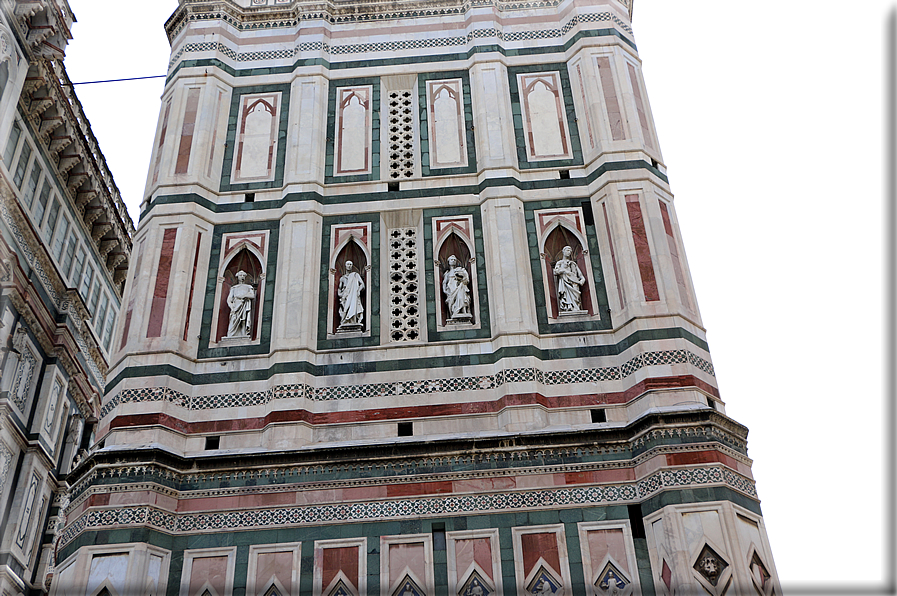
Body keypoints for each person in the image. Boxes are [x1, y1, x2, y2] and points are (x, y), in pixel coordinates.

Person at [553, 245, 585, 312]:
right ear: (563, 251)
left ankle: (576, 309)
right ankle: (568, 308)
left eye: (570, 251)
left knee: (576, 298)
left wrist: (582, 280)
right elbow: (555, 271)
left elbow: (581, 276)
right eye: (567, 250)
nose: (569, 252)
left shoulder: (573, 264)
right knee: (566, 298)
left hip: (574, 284)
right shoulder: (559, 263)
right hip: (565, 283)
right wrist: (564, 271)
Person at [226, 270, 256, 338]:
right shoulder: (234, 288)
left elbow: (252, 295)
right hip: (236, 305)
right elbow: (229, 299)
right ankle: (231, 335)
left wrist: (245, 296)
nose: (242, 277)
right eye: (240, 275)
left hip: (244, 304)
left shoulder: (248, 287)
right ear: (237, 277)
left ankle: (243, 334)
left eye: (243, 276)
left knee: (243, 320)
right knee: (233, 319)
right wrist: (232, 307)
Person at [442, 255, 471, 319]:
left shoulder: (460, 270)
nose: (453, 261)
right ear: (448, 262)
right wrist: (445, 290)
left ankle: (463, 312)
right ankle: (454, 312)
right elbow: (444, 282)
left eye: (454, 260)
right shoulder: (447, 273)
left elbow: (466, 279)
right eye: (451, 260)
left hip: (459, 287)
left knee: (461, 297)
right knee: (452, 302)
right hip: (451, 290)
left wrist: (461, 277)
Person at [338, 260, 365, 328]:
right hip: (345, 297)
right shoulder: (342, 278)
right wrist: (341, 295)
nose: (349, 266)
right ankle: (344, 321)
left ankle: (353, 321)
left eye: (350, 264)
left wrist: (358, 291)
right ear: (345, 265)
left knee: (353, 308)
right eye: (348, 264)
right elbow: (339, 289)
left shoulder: (355, 275)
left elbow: (362, 284)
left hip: (353, 295)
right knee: (345, 310)